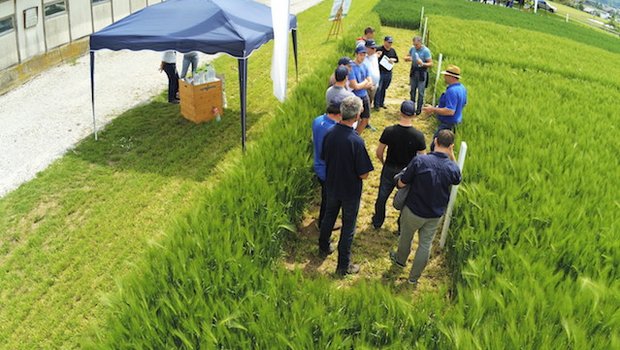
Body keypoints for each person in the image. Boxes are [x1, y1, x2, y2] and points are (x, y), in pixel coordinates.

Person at [390, 129, 461, 285]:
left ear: (435, 141)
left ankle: (400, 261)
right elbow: (457, 178)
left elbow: (402, 183)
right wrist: (452, 154)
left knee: (405, 238)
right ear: (451, 146)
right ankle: (413, 279)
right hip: (435, 214)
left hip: (413, 210)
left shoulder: (420, 161)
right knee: (425, 245)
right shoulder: (452, 168)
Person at [319, 96, 374, 276]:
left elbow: (324, 157)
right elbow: (364, 174)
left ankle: (323, 246)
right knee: (348, 226)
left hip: (332, 185)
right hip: (350, 190)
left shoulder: (329, 133)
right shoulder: (356, 141)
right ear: (358, 115)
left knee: (329, 216)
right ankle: (343, 266)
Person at [371, 100, 426, 229]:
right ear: (413, 115)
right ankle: (401, 226)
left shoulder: (389, 131)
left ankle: (377, 221)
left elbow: (379, 152)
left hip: (390, 167)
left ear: (399, 112)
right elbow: (422, 158)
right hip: (407, 171)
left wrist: (384, 162)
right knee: (406, 200)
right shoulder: (418, 136)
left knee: (382, 197)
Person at [313, 84, 348, 229]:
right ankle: (324, 224)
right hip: (328, 170)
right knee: (328, 200)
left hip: (318, 165)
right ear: (338, 113)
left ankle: (323, 221)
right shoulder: (332, 129)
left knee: (325, 197)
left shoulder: (318, 120)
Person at [422, 65, 467, 151]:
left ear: (451, 77)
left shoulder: (452, 91)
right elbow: (463, 104)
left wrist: (433, 109)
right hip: (455, 124)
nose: (444, 77)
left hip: (447, 124)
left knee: (436, 147)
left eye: (446, 75)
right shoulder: (462, 88)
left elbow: (450, 111)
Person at [348, 45, 374, 134]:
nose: (362, 57)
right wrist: (365, 82)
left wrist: (363, 84)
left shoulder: (364, 66)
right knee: (355, 119)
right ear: (356, 54)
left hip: (364, 95)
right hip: (355, 97)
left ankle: (357, 135)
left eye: (364, 55)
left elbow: (370, 82)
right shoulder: (351, 67)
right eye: (360, 55)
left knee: (366, 118)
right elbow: (355, 86)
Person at [404, 36, 433, 115]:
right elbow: (406, 57)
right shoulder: (412, 49)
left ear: (420, 43)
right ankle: (411, 107)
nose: (415, 46)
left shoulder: (426, 51)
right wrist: (408, 58)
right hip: (413, 71)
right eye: (414, 44)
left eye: (416, 44)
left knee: (420, 92)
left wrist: (422, 63)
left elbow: (431, 63)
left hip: (422, 72)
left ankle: (419, 108)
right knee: (412, 90)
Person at [375, 36, 399, 110]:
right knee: (379, 88)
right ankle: (377, 104)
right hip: (380, 71)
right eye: (388, 42)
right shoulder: (379, 49)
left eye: (391, 42)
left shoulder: (392, 50)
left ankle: (382, 103)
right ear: (384, 42)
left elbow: (397, 59)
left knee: (384, 88)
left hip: (388, 72)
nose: (390, 44)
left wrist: (393, 60)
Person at [363, 40, 381, 109]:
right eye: (372, 48)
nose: (375, 49)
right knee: (365, 104)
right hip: (366, 85)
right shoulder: (363, 58)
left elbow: (377, 54)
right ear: (366, 48)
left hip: (375, 85)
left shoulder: (374, 56)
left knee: (369, 103)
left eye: (375, 48)